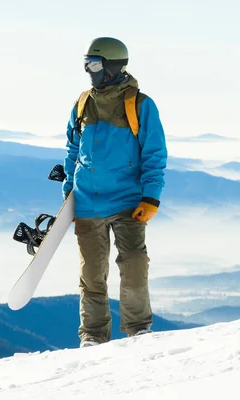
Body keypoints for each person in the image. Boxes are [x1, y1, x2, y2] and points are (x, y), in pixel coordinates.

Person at [62, 37, 168, 347]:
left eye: (94, 64)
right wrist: (69, 192)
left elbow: (154, 154)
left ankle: (138, 330)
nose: (88, 70)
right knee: (92, 275)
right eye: (86, 64)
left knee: (134, 263)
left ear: (112, 66)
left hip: (128, 200)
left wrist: (151, 197)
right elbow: (72, 149)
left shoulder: (139, 105)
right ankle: (93, 337)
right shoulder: (83, 103)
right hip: (86, 202)